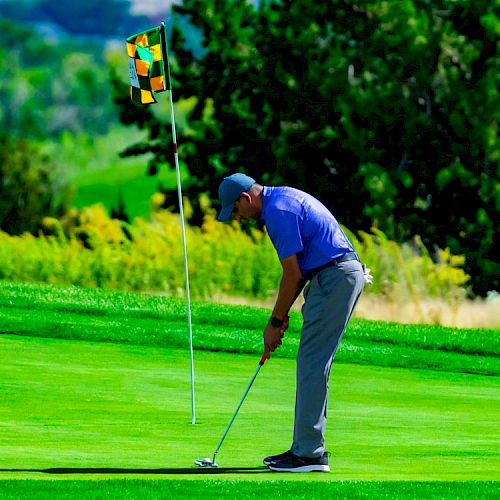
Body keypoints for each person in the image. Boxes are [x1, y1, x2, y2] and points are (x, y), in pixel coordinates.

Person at [217, 172, 370, 473]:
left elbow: (292, 273)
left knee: (313, 363)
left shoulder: (278, 212)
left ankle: (309, 454)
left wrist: (274, 322)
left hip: (335, 276)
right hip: (334, 275)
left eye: (235, 211)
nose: (237, 218)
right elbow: (298, 271)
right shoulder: (281, 200)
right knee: (313, 362)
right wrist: (282, 315)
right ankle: (308, 449)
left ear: (245, 199)